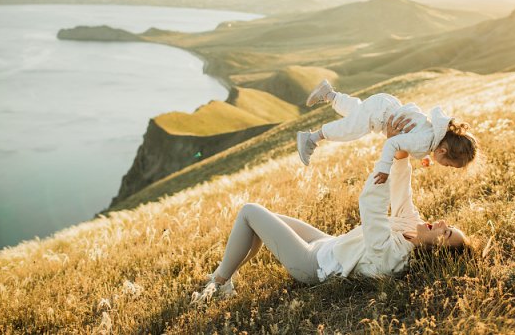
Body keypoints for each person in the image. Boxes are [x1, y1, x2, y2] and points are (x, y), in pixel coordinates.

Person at [190, 116, 469, 304]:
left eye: (446, 234)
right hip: (327, 245)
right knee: (261, 222)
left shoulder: (392, 256)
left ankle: (219, 282)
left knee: (249, 212)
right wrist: (400, 151)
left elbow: (371, 208)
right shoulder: (412, 229)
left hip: (313, 265)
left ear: (434, 252)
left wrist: (386, 154)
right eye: (450, 226)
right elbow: (401, 189)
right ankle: (226, 275)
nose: (443, 223)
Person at [297, 80, 479, 184]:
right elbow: (393, 143)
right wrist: (384, 169)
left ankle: (329, 94)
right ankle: (311, 138)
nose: (443, 166)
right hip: (381, 115)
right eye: (447, 164)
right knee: (350, 129)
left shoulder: (431, 135)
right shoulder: (425, 143)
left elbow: (413, 139)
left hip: (385, 105)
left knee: (356, 114)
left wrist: (422, 156)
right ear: (442, 151)